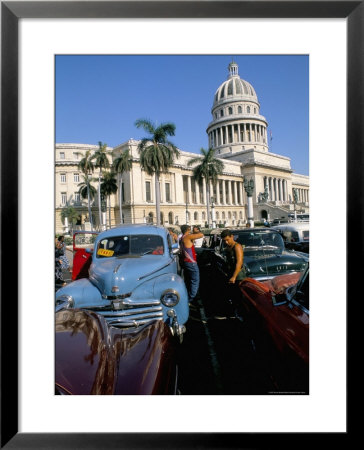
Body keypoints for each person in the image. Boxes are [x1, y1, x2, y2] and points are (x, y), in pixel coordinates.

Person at [218, 229, 247, 320]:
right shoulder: (227, 247)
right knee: (232, 295)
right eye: (224, 241)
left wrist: (234, 276)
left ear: (232, 237)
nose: (226, 242)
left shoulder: (237, 246)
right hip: (230, 274)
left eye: (227, 240)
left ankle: (241, 314)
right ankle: (235, 312)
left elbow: (239, 263)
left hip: (238, 275)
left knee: (239, 296)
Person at [179, 224, 204, 304]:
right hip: (191, 262)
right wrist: (195, 231)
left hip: (185, 261)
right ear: (188, 229)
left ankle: (189, 295)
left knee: (189, 280)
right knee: (195, 280)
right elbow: (201, 235)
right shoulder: (188, 236)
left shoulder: (182, 238)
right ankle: (191, 298)